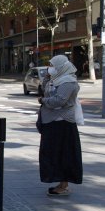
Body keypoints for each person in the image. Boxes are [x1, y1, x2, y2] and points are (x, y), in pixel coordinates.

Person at [37, 55, 83, 196]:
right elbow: (45, 90)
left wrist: (43, 101)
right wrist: (46, 78)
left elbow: (59, 101)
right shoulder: (55, 80)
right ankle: (60, 183)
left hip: (62, 123)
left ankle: (64, 186)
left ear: (61, 67)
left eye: (52, 66)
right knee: (52, 154)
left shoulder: (68, 82)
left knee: (64, 155)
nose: (50, 68)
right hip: (52, 122)